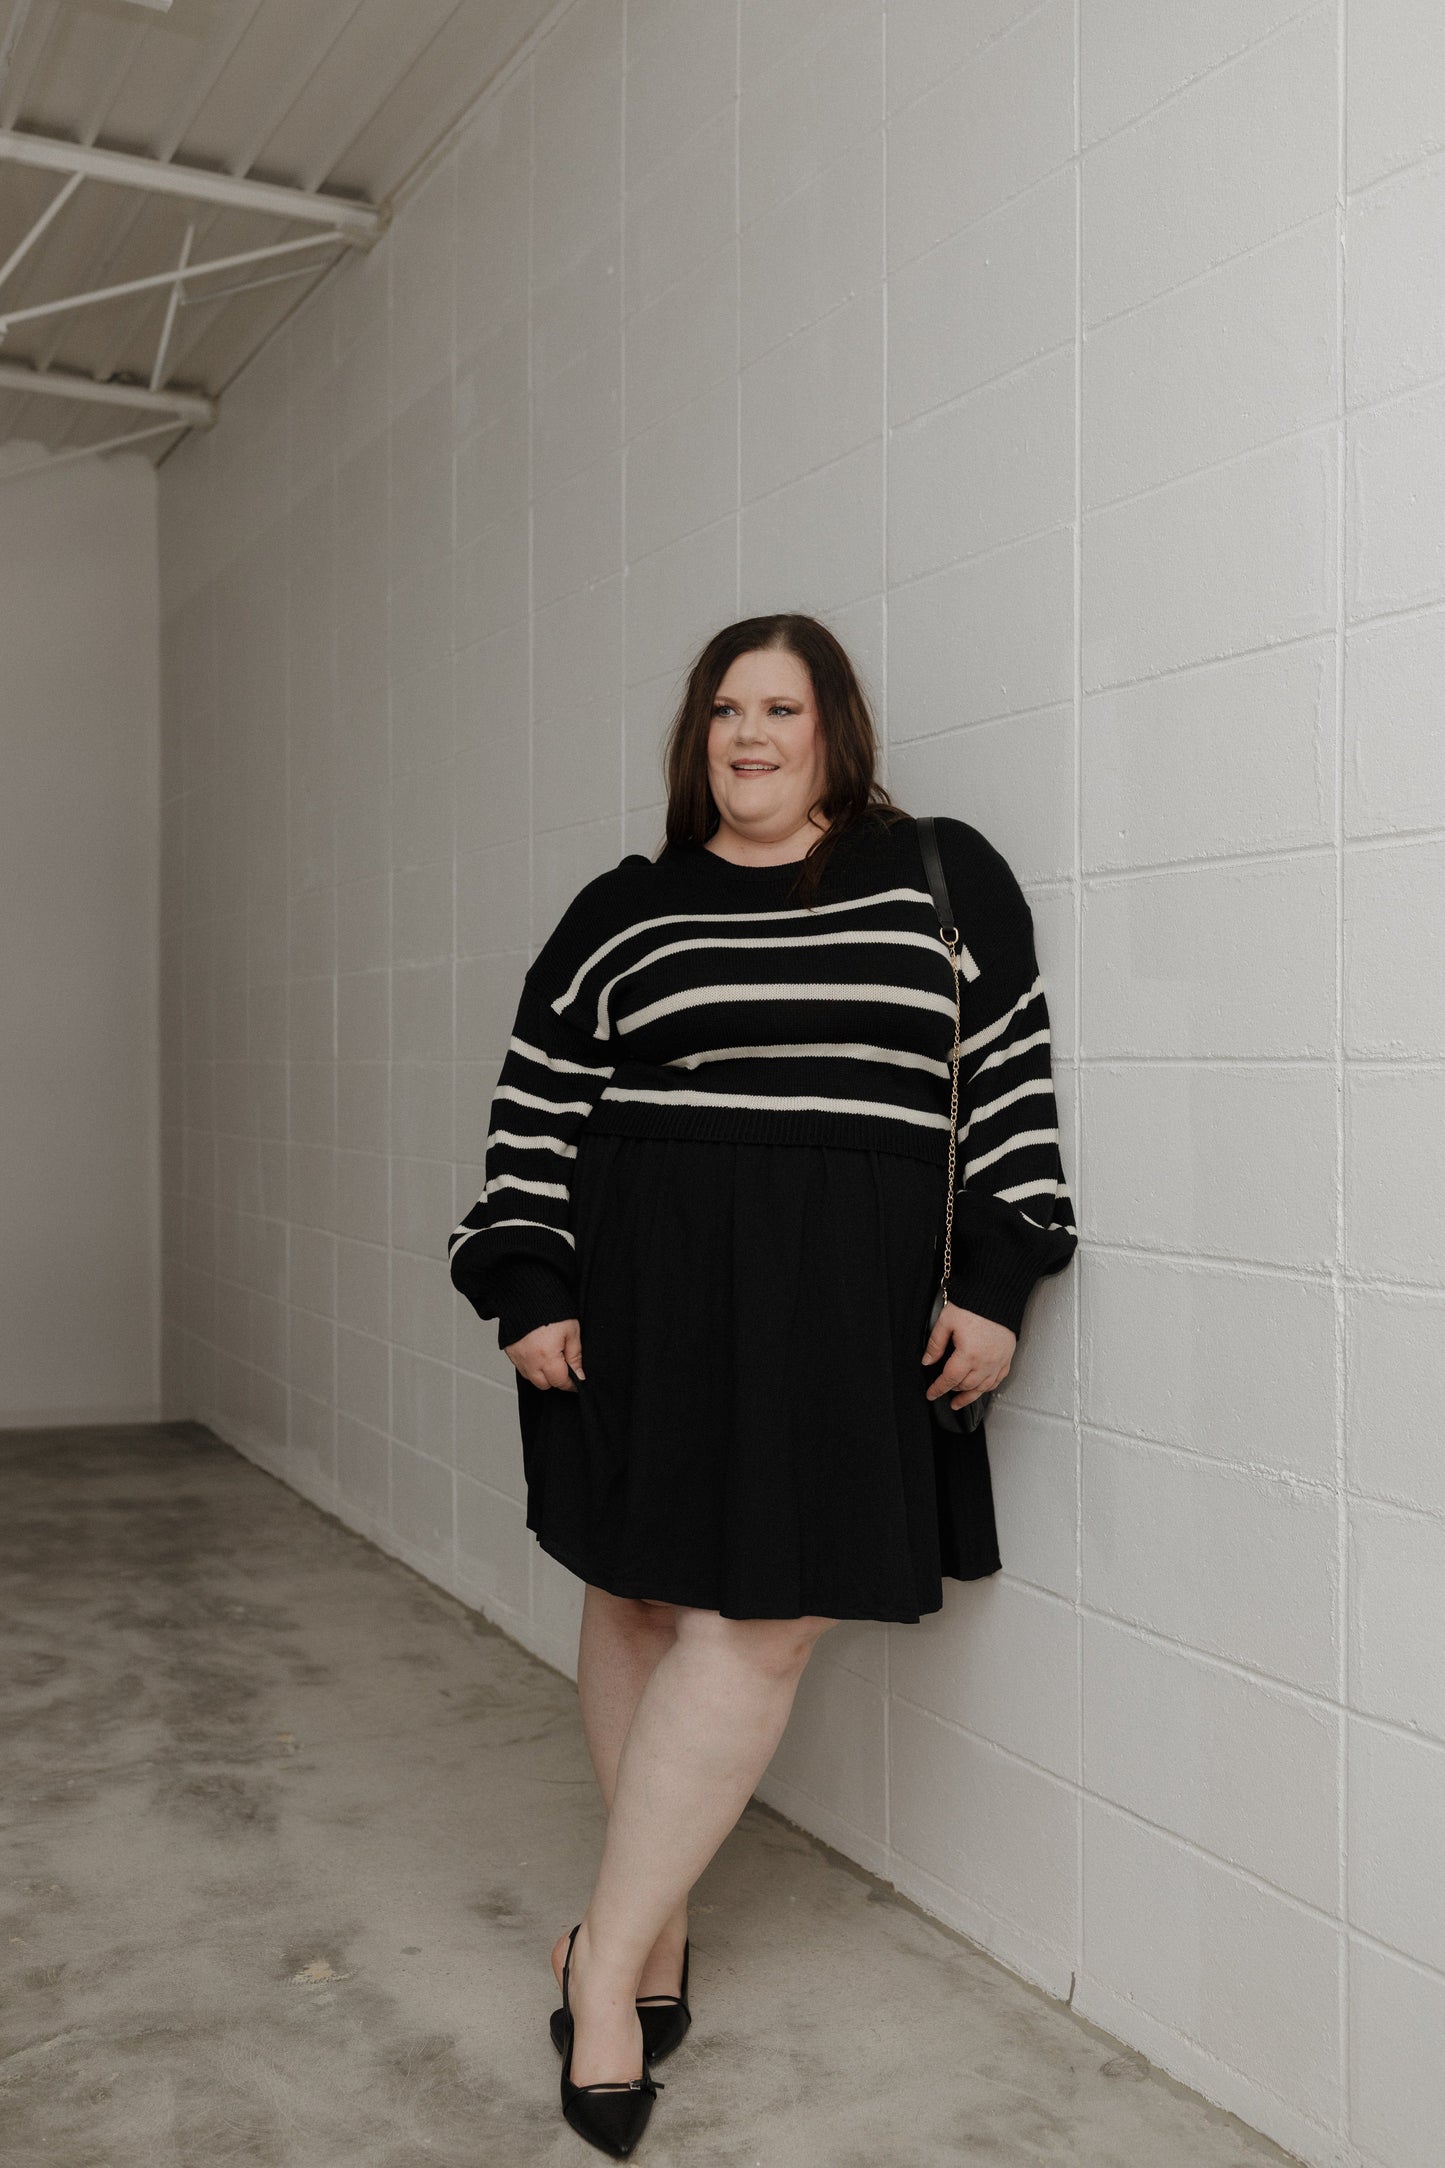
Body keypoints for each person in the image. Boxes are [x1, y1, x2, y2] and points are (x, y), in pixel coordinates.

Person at [446, 612, 1078, 2157]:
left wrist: (996, 1282)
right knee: (640, 1598)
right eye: (724, 709)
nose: (748, 736)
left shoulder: (940, 873)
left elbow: (1005, 1086)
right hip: (641, 1298)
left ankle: (601, 1961)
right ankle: (645, 1953)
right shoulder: (625, 907)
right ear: (697, 735)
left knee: (762, 1624)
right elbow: (534, 1108)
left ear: (831, 726)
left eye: (780, 708)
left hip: (840, 1310)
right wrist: (527, 1284)